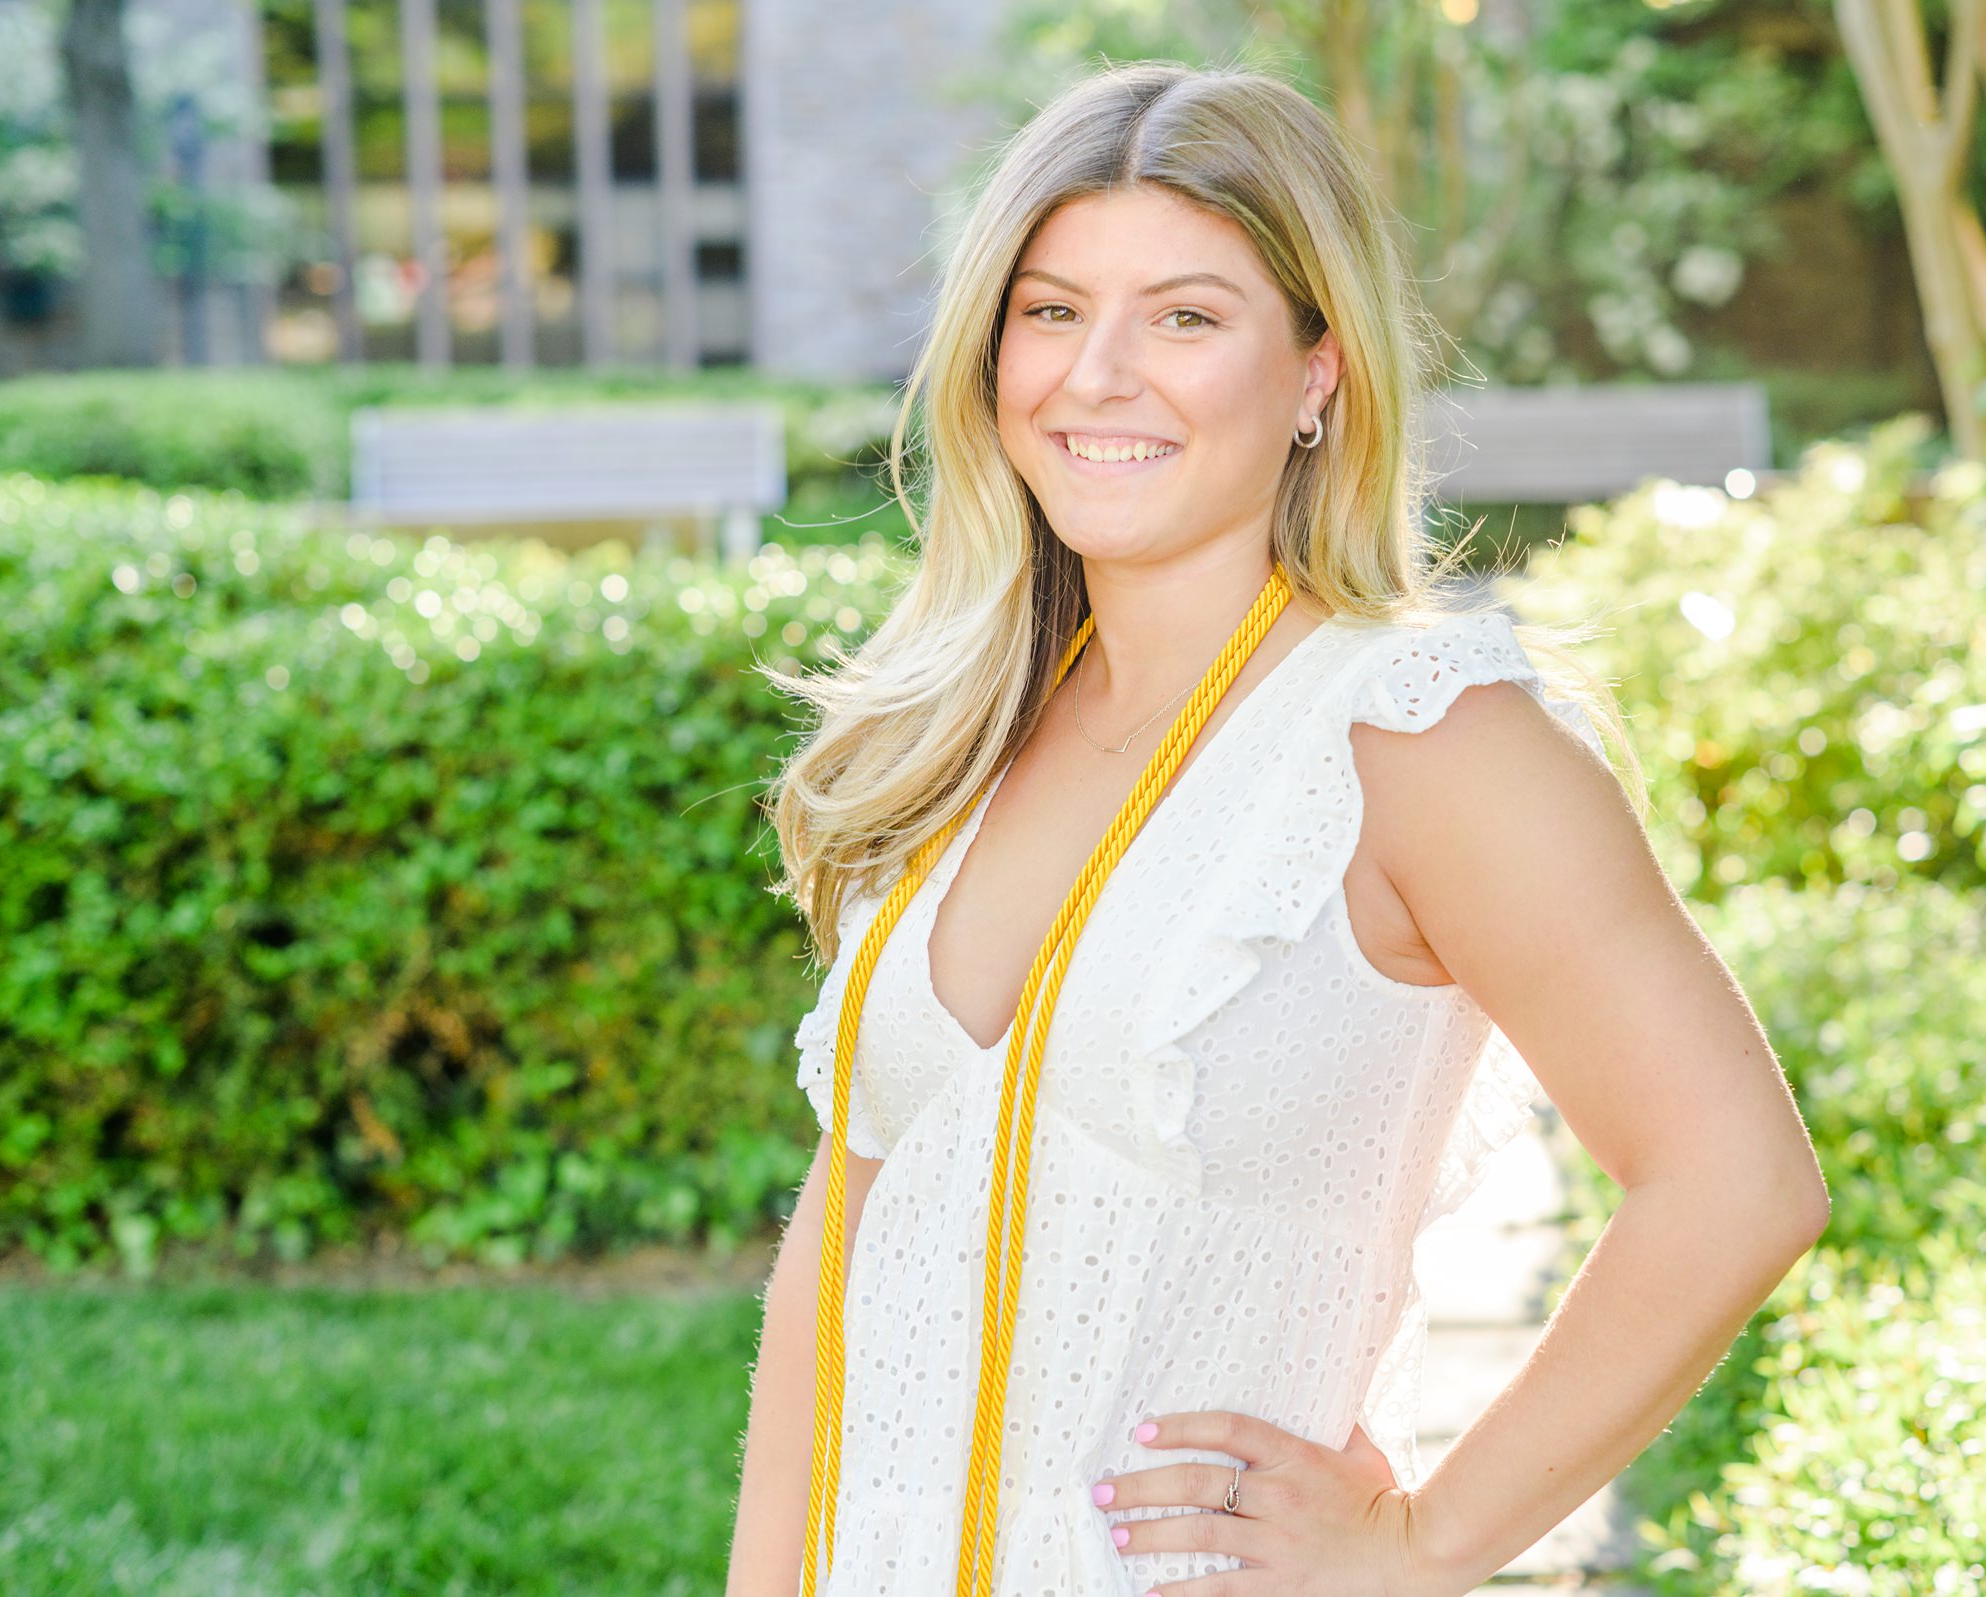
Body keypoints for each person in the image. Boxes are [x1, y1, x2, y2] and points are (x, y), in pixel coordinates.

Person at [727, 59, 1829, 1597]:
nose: (1097, 374)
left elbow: (1736, 1179)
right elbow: (846, 1261)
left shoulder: (1425, 735)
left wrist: (1424, 1539)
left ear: (1319, 371)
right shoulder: (965, 734)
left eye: (1186, 316)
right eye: (1050, 311)